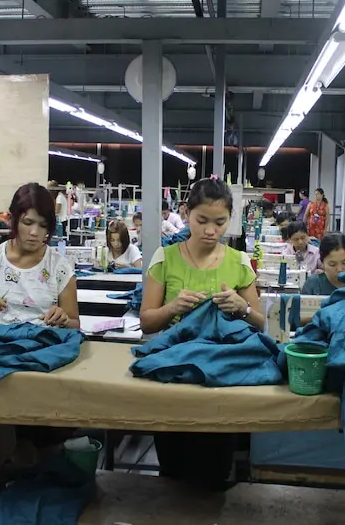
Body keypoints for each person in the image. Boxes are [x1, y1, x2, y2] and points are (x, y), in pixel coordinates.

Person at [140, 178, 263, 489]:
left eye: (220, 222)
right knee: (173, 468)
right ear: (186, 213)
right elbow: (147, 322)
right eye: (202, 220)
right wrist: (172, 309)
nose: (211, 230)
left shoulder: (239, 262)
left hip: (220, 379)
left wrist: (241, 308)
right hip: (174, 374)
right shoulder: (164, 258)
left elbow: (263, 323)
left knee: (214, 469)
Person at [0, 183, 79, 328]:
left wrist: (64, 320)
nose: (34, 232)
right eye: (28, 222)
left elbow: (74, 324)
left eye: (42, 225)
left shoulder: (60, 268)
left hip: (42, 347)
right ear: (12, 219)